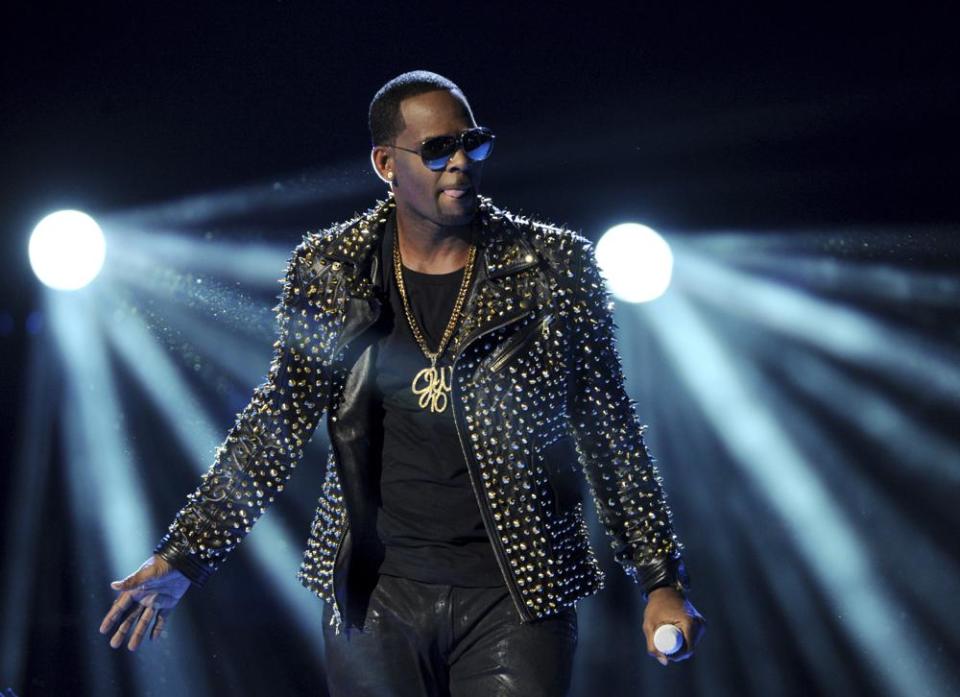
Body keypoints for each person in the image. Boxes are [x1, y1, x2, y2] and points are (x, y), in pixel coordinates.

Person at [98, 70, 707, 695]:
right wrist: (185, 556)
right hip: (376, 595)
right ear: (386, 163)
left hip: (518, 593)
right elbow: (275, 424)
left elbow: (610, 431)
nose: (461, 162)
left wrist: (661, 580)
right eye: (438, 149)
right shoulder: (334, 270)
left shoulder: (552, 268)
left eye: (474, 143)